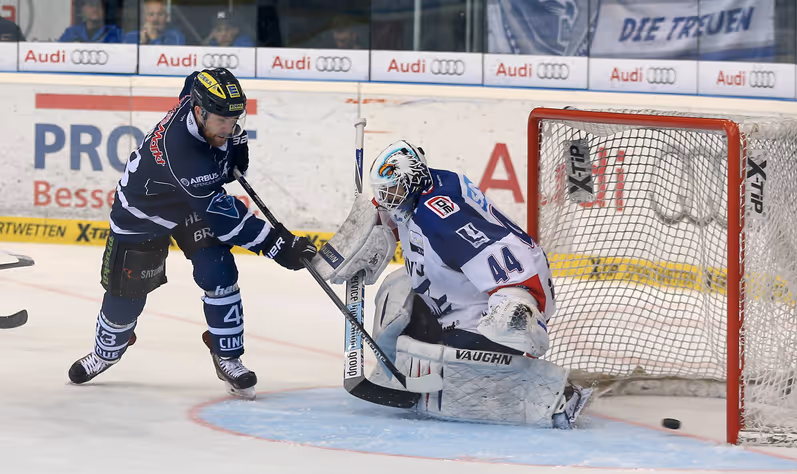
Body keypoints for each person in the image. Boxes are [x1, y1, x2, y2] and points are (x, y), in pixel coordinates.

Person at [68, 68, 317, 399]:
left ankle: (227, 356)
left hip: (187, 206)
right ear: (199, 112)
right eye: (221, 121)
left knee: (218, 270)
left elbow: (194, 78)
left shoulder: (197, 100)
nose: (228, 128)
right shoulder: (183, 152)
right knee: (126, 295)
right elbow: (224, 219)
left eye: (234, 120)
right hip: (142, 213)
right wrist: (276, 244)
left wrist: (231, 144)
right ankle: (106, 353)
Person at [313, 141, 592, 428]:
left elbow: (510, 256)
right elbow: (382, 216)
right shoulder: (421, 190)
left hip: (483, 314)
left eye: (392, 190)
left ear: (412, 180)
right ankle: (396, 373)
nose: (387, 199)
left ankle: (557, 396)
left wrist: (517, 308)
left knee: (451, 381)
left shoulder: (442, 218)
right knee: (395, 289)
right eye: (383, 191)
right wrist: (342, 247)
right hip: (448, 300)